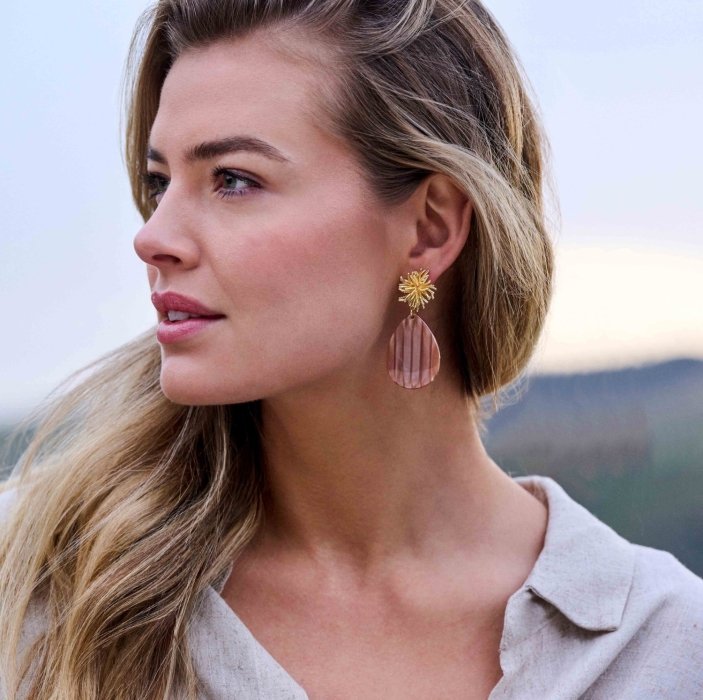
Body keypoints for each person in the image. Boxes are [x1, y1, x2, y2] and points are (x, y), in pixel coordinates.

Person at [1, 1, 702, 698]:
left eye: (233, 179)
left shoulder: (664, 647)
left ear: (429, 228)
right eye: (160, 183)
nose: (152, 237)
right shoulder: (37, 586)